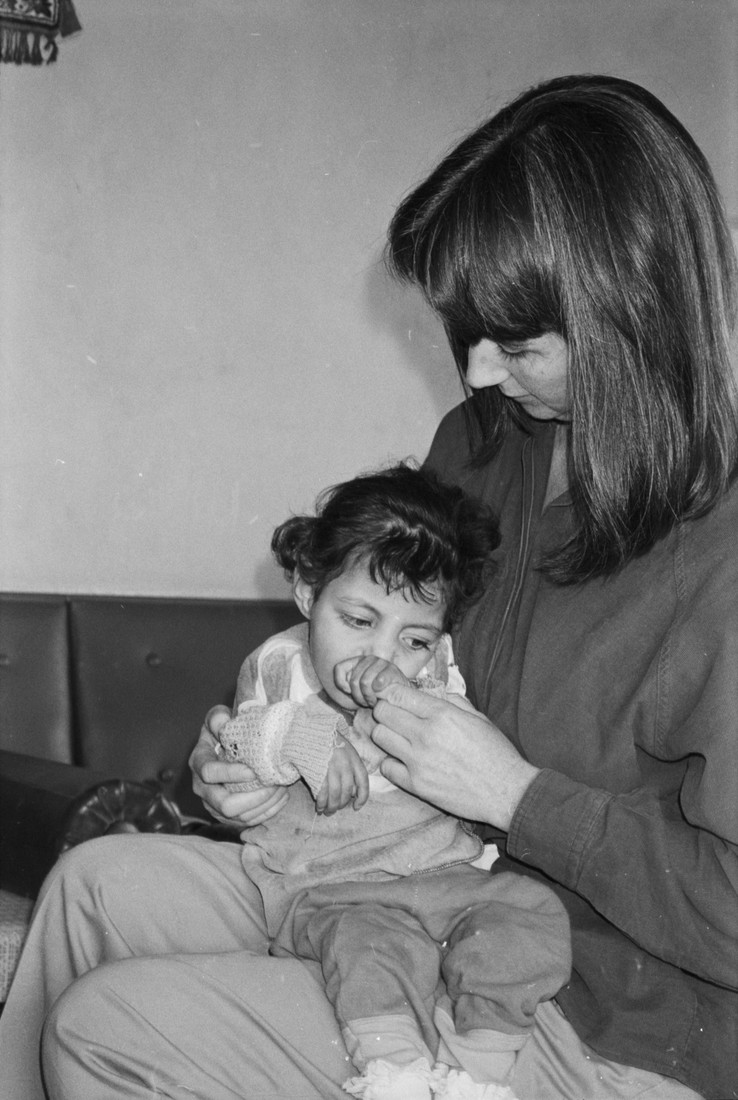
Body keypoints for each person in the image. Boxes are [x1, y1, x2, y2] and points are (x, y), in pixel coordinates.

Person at [0, 72, 735, 1100]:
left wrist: (519, 796)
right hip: (403, 875)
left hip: (607, 1002)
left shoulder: (720, 555)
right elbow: (367, 646)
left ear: (632, 313)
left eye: (516, 343)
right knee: (87, 889)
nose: (477, 374)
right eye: (467, 334)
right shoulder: (485, 447)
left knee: (106, 1031)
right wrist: (259, 750)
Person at [207, 463, 570, 1100]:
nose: (382, 655)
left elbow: (473, 755)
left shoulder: (433, 675)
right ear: (306, 594)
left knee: (531, 911)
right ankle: (394, 1072)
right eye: (357, 621)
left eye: (414, 638)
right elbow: (242, 735)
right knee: (372, 948)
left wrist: (436, 713)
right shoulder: (281, 665)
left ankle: (477, 1069)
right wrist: (303, 738)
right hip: (331, 889)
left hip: (442, 876)